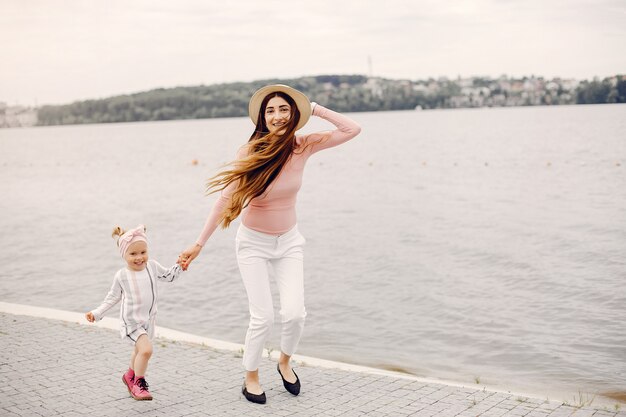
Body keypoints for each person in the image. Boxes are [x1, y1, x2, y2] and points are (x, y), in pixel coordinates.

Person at [178, 84, 361, 404]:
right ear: (262, 117)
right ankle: (251, 377)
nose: (277, 116)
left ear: (294, 116)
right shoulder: (250, 152)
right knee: (262, 317)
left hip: (289, 242)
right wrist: (199, 244)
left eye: (284, 110)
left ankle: (285, 361)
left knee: (294, 314)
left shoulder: (303, 145)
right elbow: (226, 198)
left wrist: (314, 108)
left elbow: (352, 129)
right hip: (253, 244)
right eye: (270, 110)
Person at [86, 225, 183, 401]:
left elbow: (169, 276)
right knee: (146, 350)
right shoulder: (122, 276)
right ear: (124, 255)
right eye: (133, 254)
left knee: (138, 351)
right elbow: (112, 298)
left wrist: (180, 265)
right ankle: (138, 383)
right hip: (131, 322)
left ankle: (129, 376)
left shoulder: (152, 267)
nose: (139, 258)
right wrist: (97, 313)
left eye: (143, 252)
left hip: (148, 320)